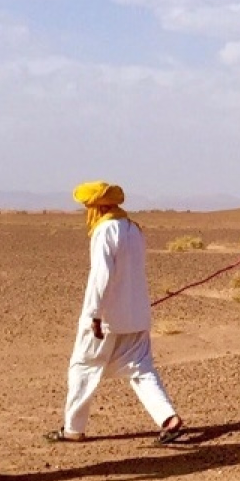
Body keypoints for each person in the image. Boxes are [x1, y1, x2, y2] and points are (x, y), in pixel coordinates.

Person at [47, 181, 184, 444]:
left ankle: (73, 429)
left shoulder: (105, 230)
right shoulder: (134, 229)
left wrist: (94, 315)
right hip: (136, 315)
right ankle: (169, 418)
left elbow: (101, 275)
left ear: (99, 207)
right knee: (141, 369)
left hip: (106, 319)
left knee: (83, 367)